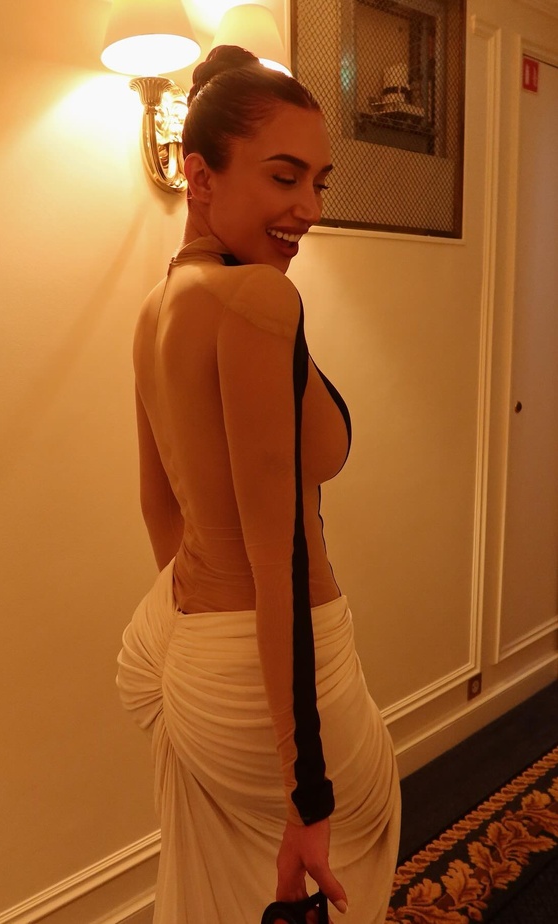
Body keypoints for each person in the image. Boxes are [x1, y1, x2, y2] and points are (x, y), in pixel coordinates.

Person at [117, 45, 401, 924]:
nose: (308, 208)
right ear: (199, 175)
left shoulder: (158, 307)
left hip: (179, 644)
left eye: (318, 181)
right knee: (364, 837)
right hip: (261, 666)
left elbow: (158, 503)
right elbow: (280, 555)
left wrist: (193, 643)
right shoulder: (258, 304)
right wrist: (305, 792)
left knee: (231, 892)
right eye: (284, 177)